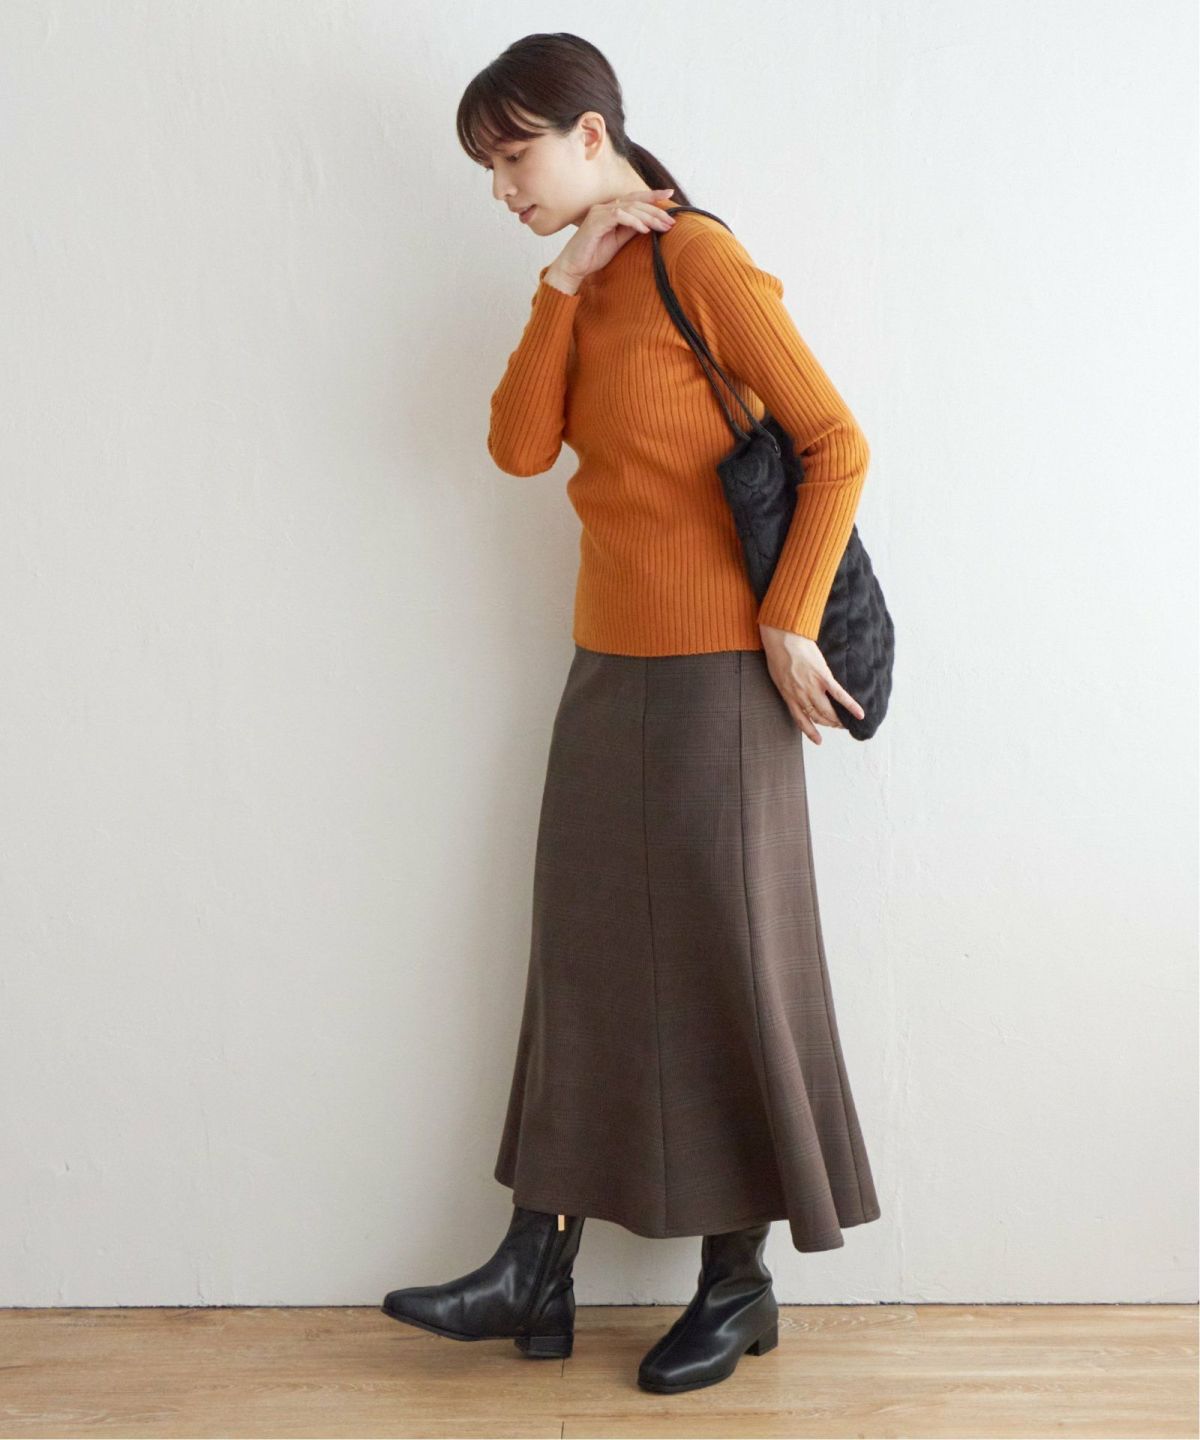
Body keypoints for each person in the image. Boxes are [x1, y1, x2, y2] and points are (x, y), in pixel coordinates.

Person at [383, 32, 881, 1396]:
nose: (503, 187)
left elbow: (836, 440)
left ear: (593, 135)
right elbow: (517, 448)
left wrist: (786, 616)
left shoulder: (699, 260)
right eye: (488, 168)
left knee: (728, 962)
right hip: (606, 669)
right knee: (584, 957)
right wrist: (558, 286)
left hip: (720, 677)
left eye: (515, 156)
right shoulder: (586, 280)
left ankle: (738, 1282)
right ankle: (533, 1264)